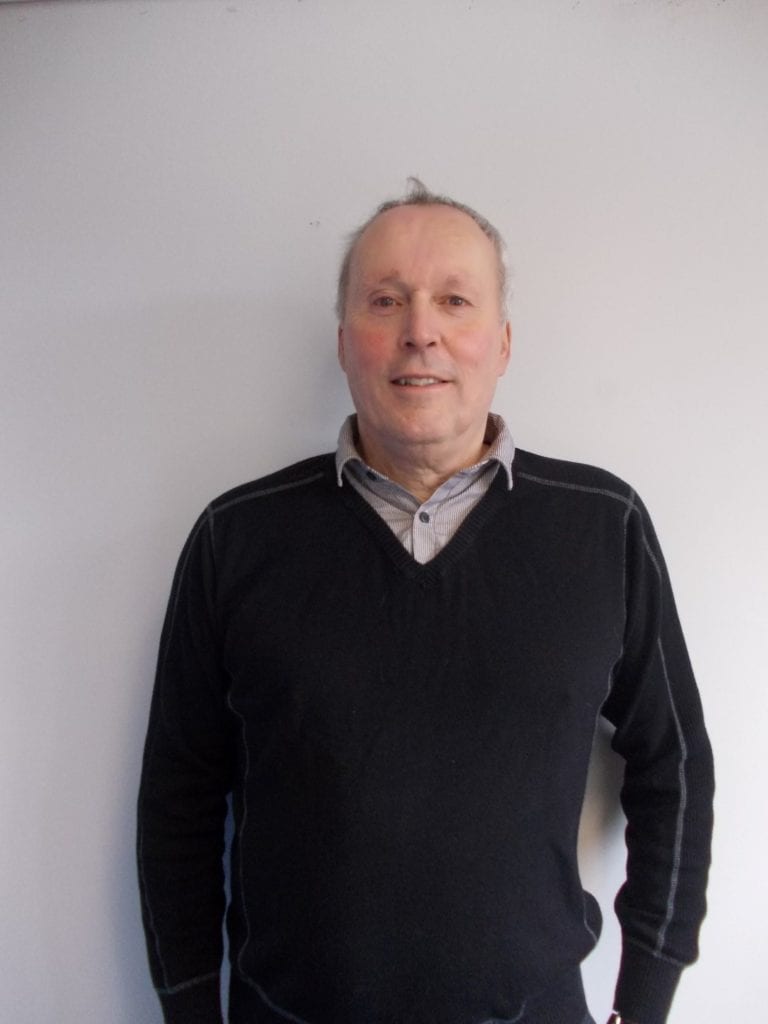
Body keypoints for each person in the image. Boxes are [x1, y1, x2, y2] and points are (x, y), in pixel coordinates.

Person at [137, 179, 714, 1024]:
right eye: (386, 301)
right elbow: (178, 798)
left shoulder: (603, 527)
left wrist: (647, 999)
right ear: (344, 342)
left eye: (455, 300)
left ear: (503, 342)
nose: (421, 331)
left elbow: (678, 770)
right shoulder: (237, 538)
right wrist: (189, 1009)